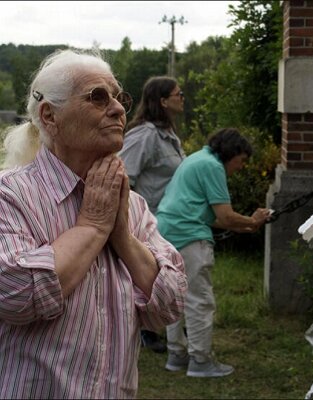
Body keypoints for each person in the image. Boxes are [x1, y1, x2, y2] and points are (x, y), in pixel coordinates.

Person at [0, 49, 187, 398]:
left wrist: (124, 239)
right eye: (97, 98)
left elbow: (171, 303)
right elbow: (16, 296)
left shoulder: (131, 205)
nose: (118, 109)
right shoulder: (9, 196)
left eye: (118, 97)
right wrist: (92, 228)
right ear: (50, 116)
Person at [156, 127, 271, 378]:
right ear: (232, 153)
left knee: (175, 296)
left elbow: (211, 215)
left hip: (167, 232)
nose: (240, 167)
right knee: (199, 300)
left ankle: (177, 355)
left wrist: (246, 225)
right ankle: (200, 360)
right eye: (241, 161)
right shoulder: (213, 166)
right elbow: (226, 216)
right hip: (189, 238)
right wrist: (252, 221)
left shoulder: (197, 159)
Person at [119, 76, 186, 353]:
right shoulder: (144, 135)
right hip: (146, 221)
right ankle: (145, 329)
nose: (183, 97)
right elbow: (123, 177)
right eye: (178, 93)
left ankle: (160, 325)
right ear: (162, 100)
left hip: (167, 219)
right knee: (145, 273)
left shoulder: (168, 135)